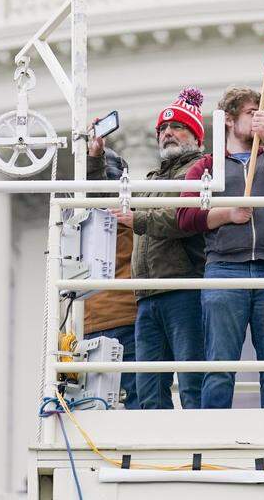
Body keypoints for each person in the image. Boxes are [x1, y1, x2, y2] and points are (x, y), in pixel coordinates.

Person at [177, 86, 264, 408]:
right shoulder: (207, 166)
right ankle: (214, 441)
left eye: (263, 113)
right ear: (230, 119)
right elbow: (184, 216)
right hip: (225, 268)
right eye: (252, 113)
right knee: (221, 366)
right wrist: (228, 214)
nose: (259, 119)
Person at [89, 87, 209, 410]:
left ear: (196, 136)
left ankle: (198, 454)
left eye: (178, 127)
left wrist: (137, 219)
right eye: (163, 129)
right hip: (147, 298)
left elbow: (181, 218)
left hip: (184, 288)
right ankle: (159, 460)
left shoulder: (199, 172)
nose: (168, 133)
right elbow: (105, 202)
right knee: (149, 393)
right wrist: (96, 158)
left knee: (191, 385)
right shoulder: (153, 181)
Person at [82, 146, 138, 408]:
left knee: (92, 400)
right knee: (139, 394)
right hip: (125, 314)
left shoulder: (82, 218)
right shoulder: (129, 213)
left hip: (92, 317)